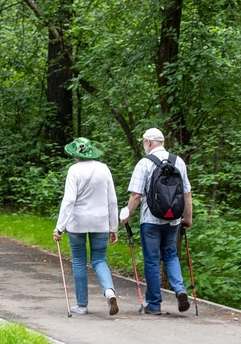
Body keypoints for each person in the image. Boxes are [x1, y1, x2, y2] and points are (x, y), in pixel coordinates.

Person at [120, 128, 193, 315]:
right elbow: (187, 193)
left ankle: (154, 304)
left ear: (148, 142)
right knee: (171, 255)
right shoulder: (179, 162)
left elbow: (136, 194)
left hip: (150, 219)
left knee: (152, 260)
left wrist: (127, 214)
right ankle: (180, 289)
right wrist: (187, 218)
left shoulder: (145, 163)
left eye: (144, 142)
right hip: (173, 220)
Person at [53, 137, 119, 316]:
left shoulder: (74, 170)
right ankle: (109, 292)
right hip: (100, 222)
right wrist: (114, 227)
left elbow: (69, 200)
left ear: (76, 154)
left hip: (78, 223)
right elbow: (112, 200)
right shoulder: (103, 169)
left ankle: (82, 305)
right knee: (99, 260)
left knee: (79, 261)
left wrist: (60, 227)